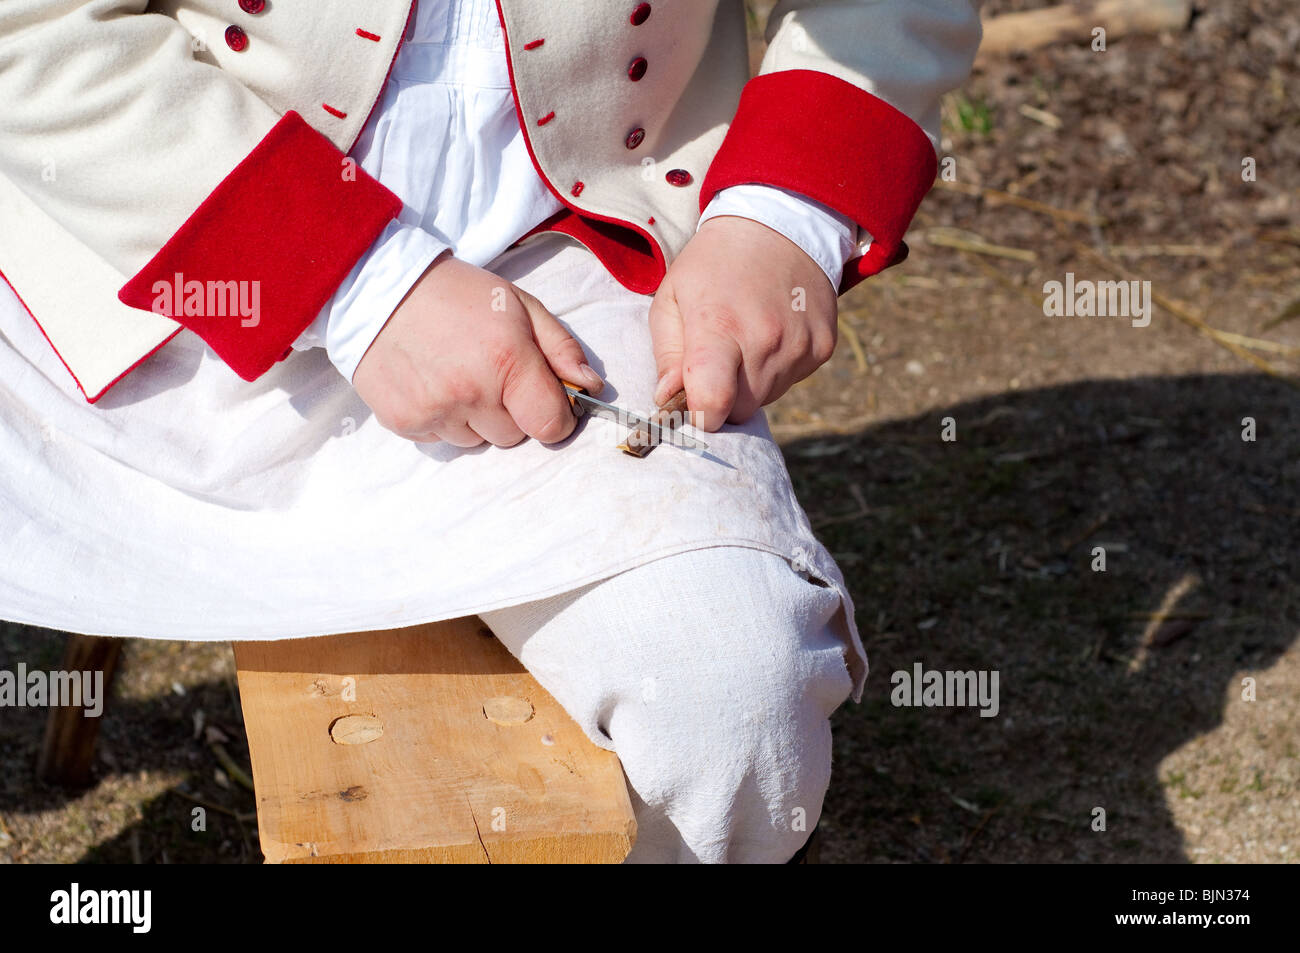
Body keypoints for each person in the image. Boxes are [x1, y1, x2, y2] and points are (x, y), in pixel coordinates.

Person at [0, 0, 982, 862]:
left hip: (574, 267)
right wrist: (356, 280)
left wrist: (783, 213)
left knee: (729, 703)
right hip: (149, 254)